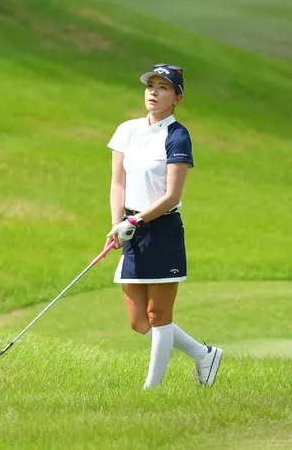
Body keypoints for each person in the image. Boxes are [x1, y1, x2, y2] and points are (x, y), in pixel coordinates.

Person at [106, 63, 223, 389]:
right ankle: (204, 354)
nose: (154, 93)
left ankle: (152, 389)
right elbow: (118, 183)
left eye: (163, 88)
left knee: (159, 316)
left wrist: (135, 220)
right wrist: (117, 224)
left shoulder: (177, 136)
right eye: (150, 86)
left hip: (162, 229)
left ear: (177, 98)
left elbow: (172, 196)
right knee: (138, 320)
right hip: (131, 228)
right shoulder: (127, 130)